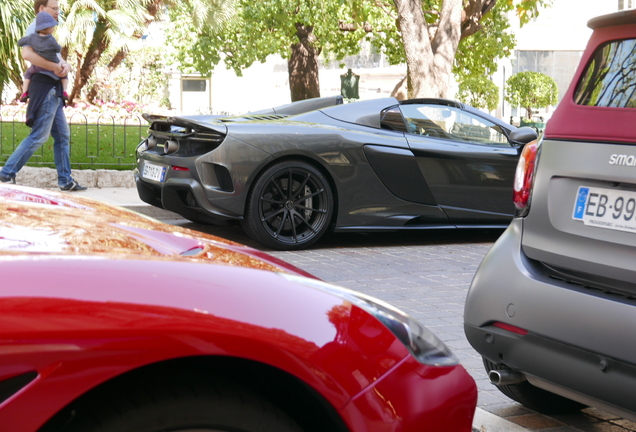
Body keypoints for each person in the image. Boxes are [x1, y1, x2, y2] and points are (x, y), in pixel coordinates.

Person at [0, 0, 86, 191]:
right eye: (54, 9)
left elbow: (55, 56)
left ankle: (65, 180)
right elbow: (27, 54)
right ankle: (6, 173)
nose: (58, 12)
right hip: (45, 89)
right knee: (39, 135)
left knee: (62, 136)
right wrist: (56, 67)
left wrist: (65, 65)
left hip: (53, 90)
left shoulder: (47, 31)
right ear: (41, 9)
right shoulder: (36, 27)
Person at [18, 11, 69, 104]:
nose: (53, 28)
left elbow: (20, 42)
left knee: (28, 74)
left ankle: (24, 92)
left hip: (37, 66)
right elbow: (58, 49)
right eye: (52, 27)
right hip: (52, 62)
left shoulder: (32, 37)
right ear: (48, 28)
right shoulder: (51, 39)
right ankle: (64, 91)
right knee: (64, 75)